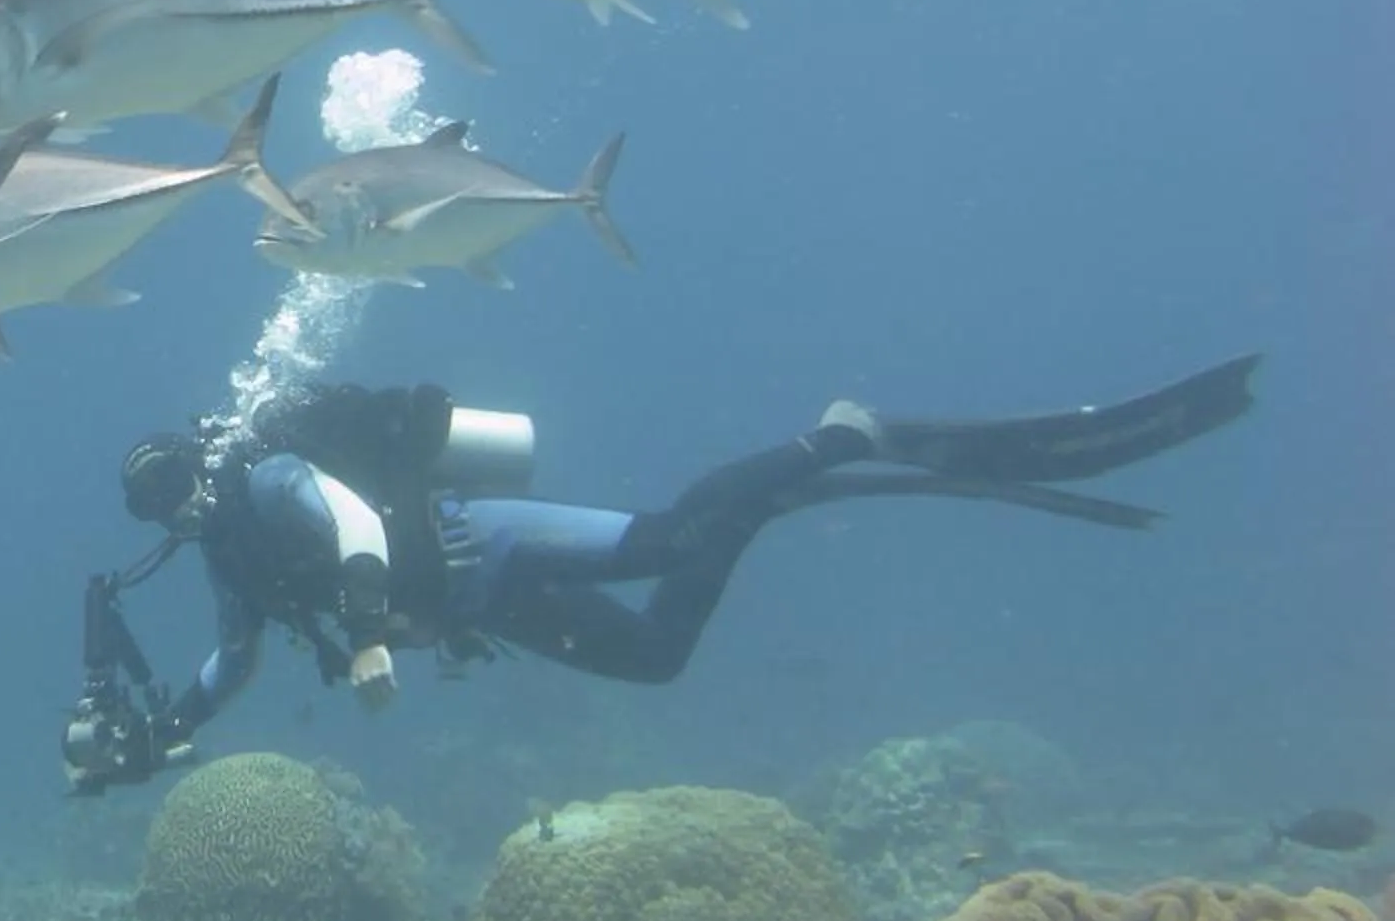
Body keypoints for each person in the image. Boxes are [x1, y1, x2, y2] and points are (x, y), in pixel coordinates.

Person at [61, 355, 1260, 792]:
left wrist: (370, 629)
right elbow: (237, 655)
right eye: (155, 507)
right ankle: (784, 497)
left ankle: (836, 436)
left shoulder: (266, 483)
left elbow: (350, 520)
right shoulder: (228, 551)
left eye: (173, 490)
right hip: (480, 609)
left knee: (669, 540)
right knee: (658, 658)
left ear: (197, 466)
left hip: (491, 541)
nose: (177, 512)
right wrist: (164, 730)